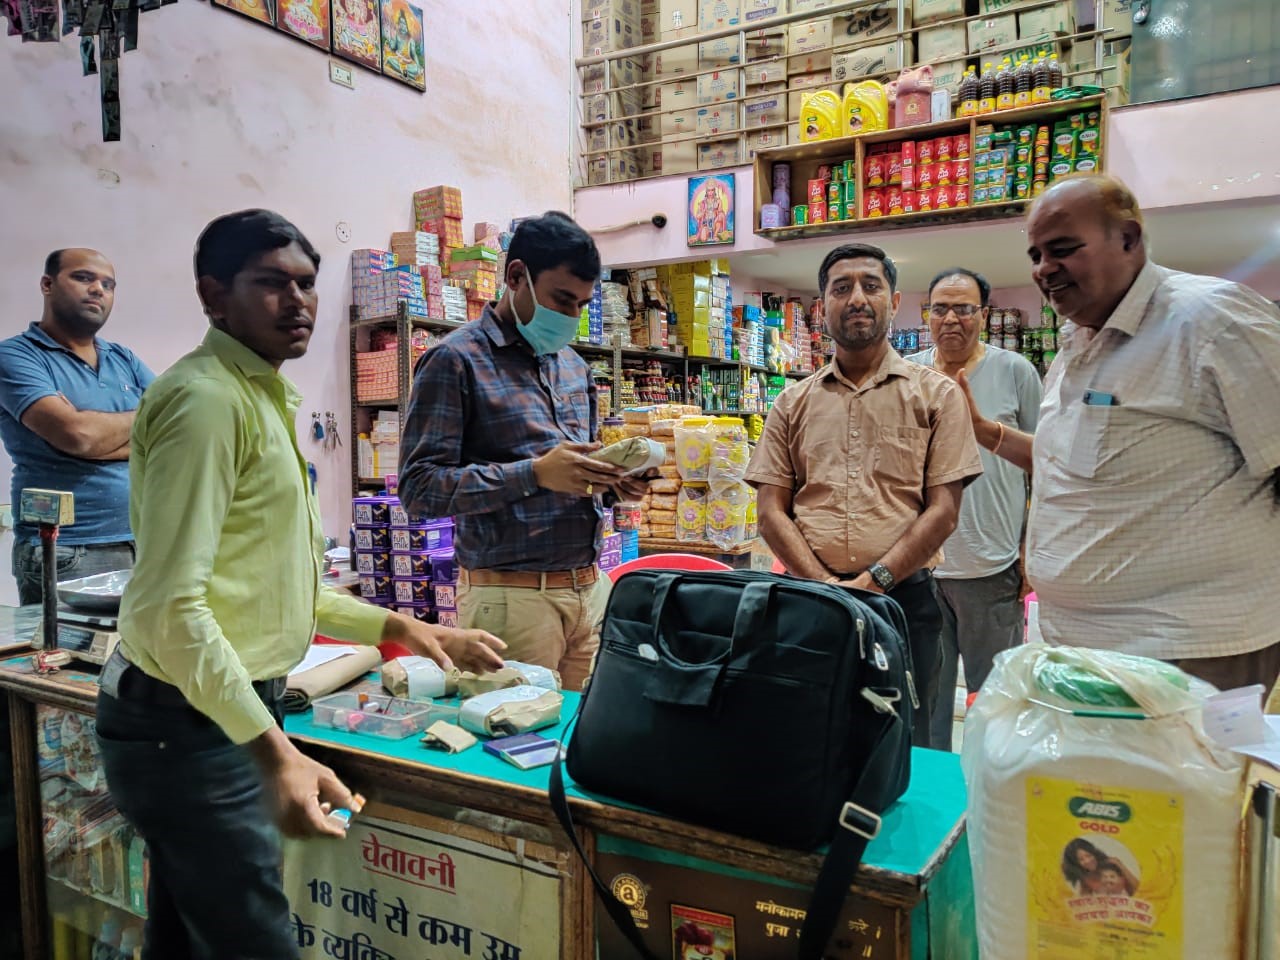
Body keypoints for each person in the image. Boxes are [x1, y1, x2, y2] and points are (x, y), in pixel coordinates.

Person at [95, 209, 506, 960]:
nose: (298, 302)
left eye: (308, 284)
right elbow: (169, 609)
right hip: (187, 726)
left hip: (207, 714)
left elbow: (277, 584)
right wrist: (274, 754)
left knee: (187, 938)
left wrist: (408, 628)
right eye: (271, 284)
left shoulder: (259, 397)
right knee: (255, 941)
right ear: (213, 295)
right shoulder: (210, 402)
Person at [959, 174, 1280, 695]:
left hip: (1193, 653)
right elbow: (1070, 463)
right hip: (1090, 651)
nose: (1044, 269)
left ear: (1129, 239)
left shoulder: (1212, 322)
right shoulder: (1078, 343)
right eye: (1036, 255)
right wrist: (984, 432)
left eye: (1063, 250)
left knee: (1191, 779)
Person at [745, 243, 983, 746]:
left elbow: (943, 512)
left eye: (870, 286)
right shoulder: (792, 402)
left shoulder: (936, 395)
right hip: (810, 603)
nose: (857, 298)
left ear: (894, 302)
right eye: (841, 287)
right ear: (822, 305)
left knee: (907, 742)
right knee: (811, 737)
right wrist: (828, 587)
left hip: (905, 604)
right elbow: (770, 511)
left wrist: (873, 581)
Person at [399, 211, 647, 692]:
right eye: (561, 300)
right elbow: (419, 489)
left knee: (587, 743)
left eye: (581, 304)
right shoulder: (455, 360)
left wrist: (616, 484)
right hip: (510, 599)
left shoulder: (574, 368)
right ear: (516, 277)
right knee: (514, 749)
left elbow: (578, 478)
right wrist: (532, 474)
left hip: (589, 589)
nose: (572, 317)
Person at [907, 268, 1041, 750]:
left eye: (964, 308)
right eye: (940, 308)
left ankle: (991, 795)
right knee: (925, 702)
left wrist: (1031, 544)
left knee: (996, 703)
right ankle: (937, 802)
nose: (951, 319)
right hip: (919, 568)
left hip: (992, 564)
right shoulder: (908, 374)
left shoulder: (1015, 372)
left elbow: (1042, 462)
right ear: (927, 315)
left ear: (983, 315)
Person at [0, 249, 154, 605]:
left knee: (139, 657)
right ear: (47, 284)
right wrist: (141, 424)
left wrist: (92, 436)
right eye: (84, 278)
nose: (98, 289)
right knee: (70, 659)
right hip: (67, 550)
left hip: (141, 541)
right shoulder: (16, 357)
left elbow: (177, 425)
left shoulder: (123, 359)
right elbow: (77, 435)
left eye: (108, 284)